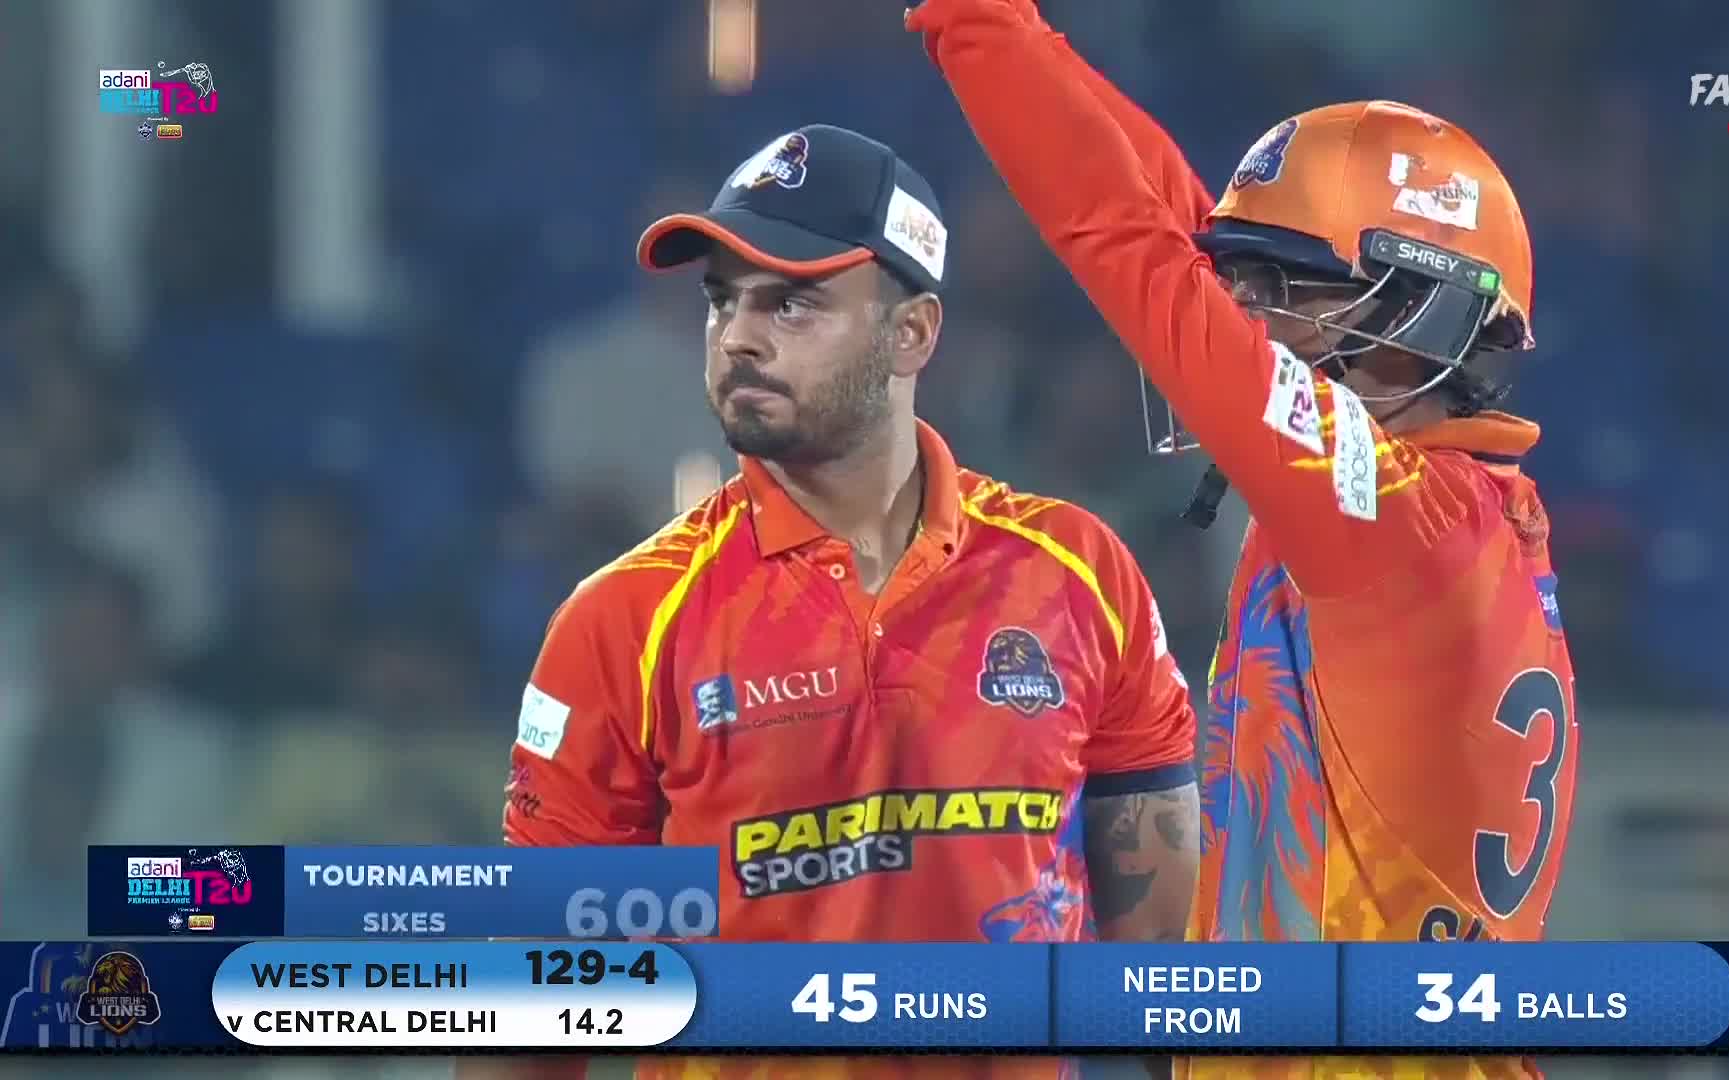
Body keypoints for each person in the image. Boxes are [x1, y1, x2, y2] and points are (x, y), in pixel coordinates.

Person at [907, 3, 1580, 1078]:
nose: (1248, 316)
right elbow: (1173, 232)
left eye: (1286, 286)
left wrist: (970, 20)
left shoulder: (1393, 518)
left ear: (1422, 309)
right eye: (1246, 285)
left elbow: (1131, 248)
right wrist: (1021, 27)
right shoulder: (1435, 508)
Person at [465, 123, 1199, 1080]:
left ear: (912, 332)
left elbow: (1163, 986)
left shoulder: (1080, 574)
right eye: (721, 300)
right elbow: (530, 1012)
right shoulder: (626, 619)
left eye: (792, 303)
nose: (738, 336)